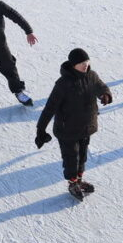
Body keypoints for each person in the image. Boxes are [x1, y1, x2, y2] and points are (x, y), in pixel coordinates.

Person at [35, 48, 113, 201]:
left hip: (86, 126)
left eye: (86, 62)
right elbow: (50, 107)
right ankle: (72, 183)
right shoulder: (63, 84)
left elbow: (100, 86)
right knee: (71, 158)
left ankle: (79, 180)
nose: (85, 65)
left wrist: (105, 95)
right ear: (73, 65)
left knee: (82, 156)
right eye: (81, 63)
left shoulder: (91, 75)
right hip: (67, 130)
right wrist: (40, 129)